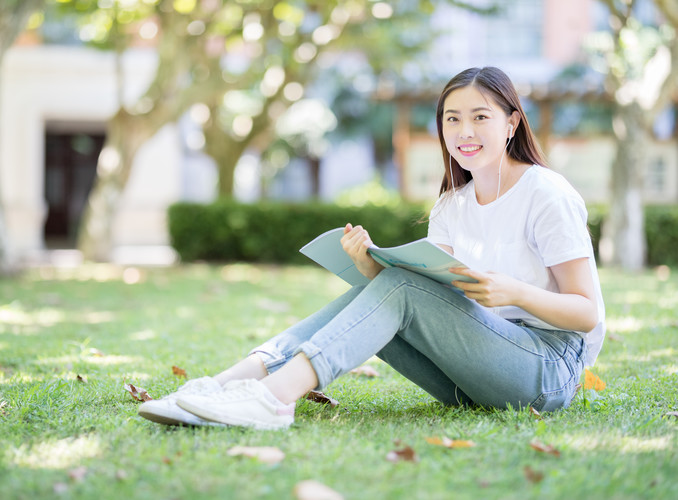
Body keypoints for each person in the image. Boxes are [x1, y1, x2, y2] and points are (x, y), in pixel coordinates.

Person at [138, 66, 606, 430]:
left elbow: (586, 313)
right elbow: (421, 299)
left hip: (547, 369)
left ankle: (273, 399)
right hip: (472, 375)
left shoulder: (546, 193)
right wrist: (367, 264)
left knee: (401, 288)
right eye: (452, 119)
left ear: (511, 124)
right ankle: (221, 388)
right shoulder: (452, 204)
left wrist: (516, 293)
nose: (465, 131)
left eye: (480, 117)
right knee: (387, 287)